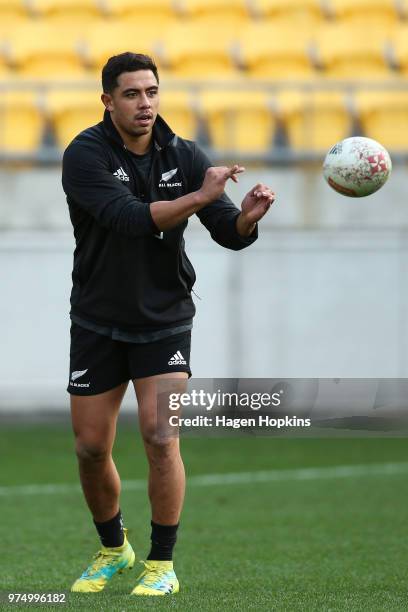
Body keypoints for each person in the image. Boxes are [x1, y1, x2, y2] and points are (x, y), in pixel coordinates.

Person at [62, 51, 275, 597]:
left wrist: (245, 217)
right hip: (98, 319)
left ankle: (162, 563)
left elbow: (224, 228)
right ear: (108, 100)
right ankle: (114, 548)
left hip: (165, 319)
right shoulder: (84, 154)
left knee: (161, 437)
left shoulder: (184, 154)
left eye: (152, 91)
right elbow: (128, 219)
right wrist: (201, 195)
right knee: (90, 448)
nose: (145, 103)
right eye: (132, 94)